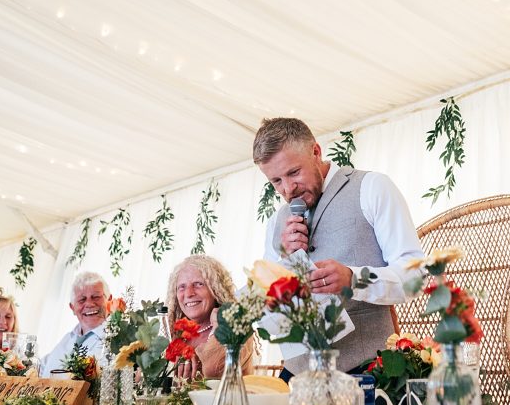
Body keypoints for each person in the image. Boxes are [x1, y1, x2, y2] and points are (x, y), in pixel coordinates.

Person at [254, 117, 424, 377]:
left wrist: (354, 280)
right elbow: (267, 297)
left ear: (316, 152)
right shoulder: (277, 221)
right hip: (296, 378)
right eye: (276, 181)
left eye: (293, 173)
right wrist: (283, 258)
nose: (288, 189)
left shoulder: (372, 187)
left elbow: (415, 278)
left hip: (369, 375)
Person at [165, 254, 254, 379]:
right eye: (182, 287)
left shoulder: (236, 326)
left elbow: (214, 369)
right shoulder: (175, 333)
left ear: (216, 289)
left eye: (198, 284)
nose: (189, 293)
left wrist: (218, 326)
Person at [39, 271, 111, 377]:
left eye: (96, 297)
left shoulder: (119, 340)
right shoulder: (67, 339)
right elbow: (40, 368)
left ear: (109, 300)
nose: (89, 304)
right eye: (82, 299)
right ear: (72, 308)